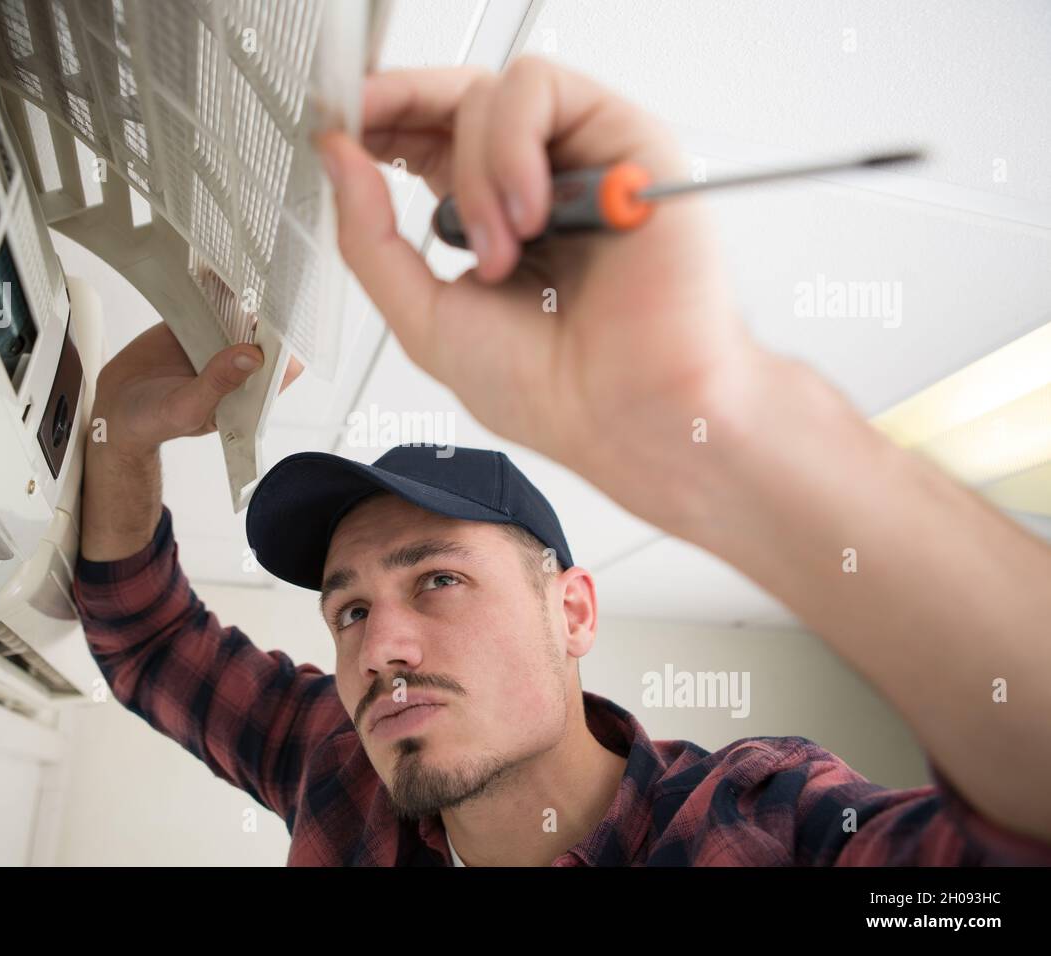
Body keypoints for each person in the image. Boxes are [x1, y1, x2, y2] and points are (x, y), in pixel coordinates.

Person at [72, 59, 1051, 866]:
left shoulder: (761, 824)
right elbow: (149, 641)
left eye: (438, 578)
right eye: (350, 608)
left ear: (573, 609)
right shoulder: (337, 765)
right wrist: (119, 424)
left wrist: (725, 414)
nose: (377, 649)